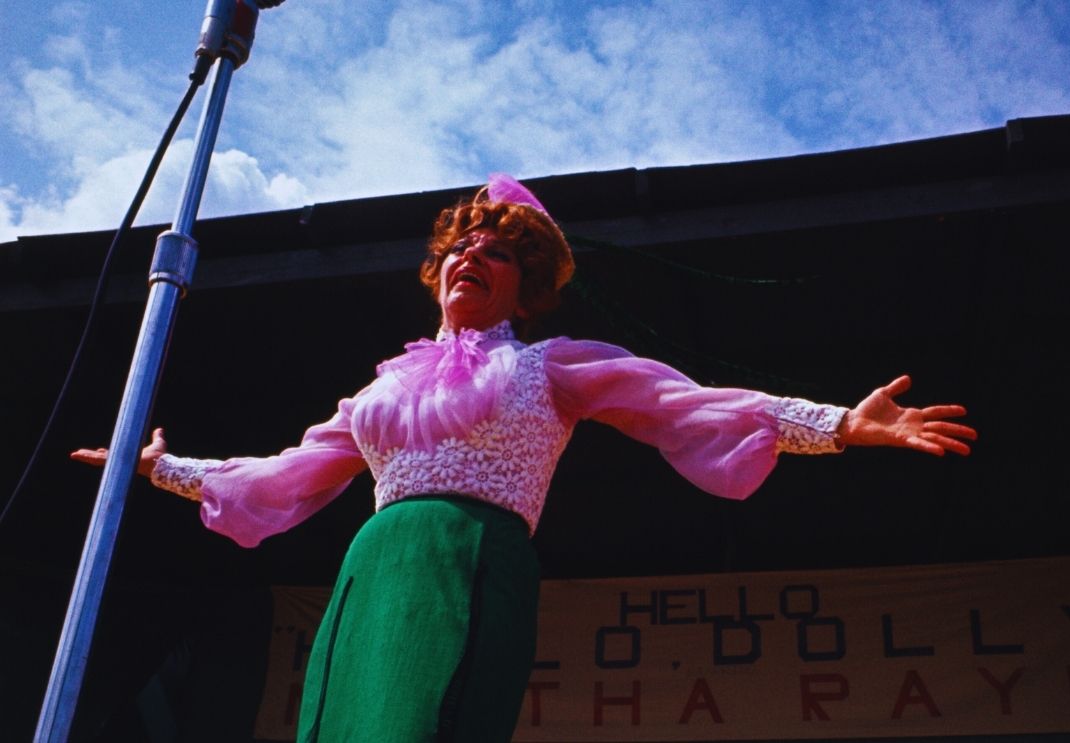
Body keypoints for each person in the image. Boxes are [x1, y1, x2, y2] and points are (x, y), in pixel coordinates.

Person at [72, 174, 976, 742]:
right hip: (373, 572)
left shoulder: (550, 365)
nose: (474, 253)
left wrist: (838, 424)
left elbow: (685, 402)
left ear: (525, 284)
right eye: (464, 242)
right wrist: (156, 468)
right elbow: (277, 473)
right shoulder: (380, 394)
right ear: (438, 267)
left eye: (499, 252)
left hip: (470, 563)